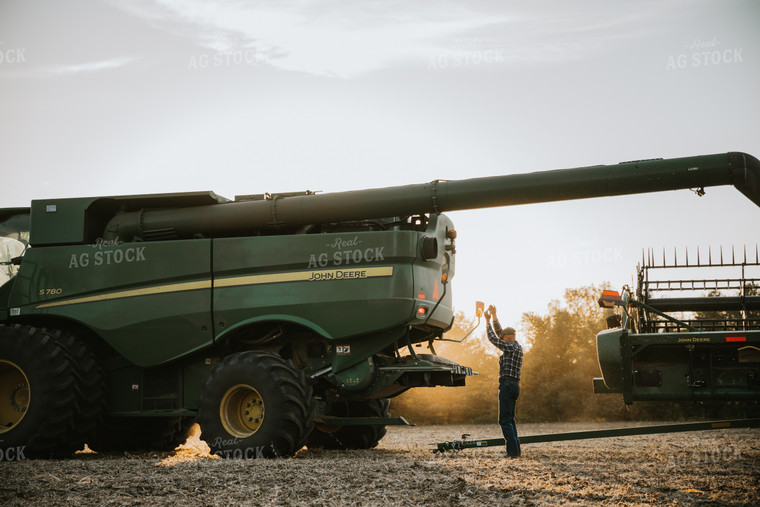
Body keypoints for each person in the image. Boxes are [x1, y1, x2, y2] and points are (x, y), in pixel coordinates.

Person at [484, 304, 523, 457]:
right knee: (510, 420)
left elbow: (493, 338)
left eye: (504, 339)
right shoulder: (516, 346)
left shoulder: (510, 347)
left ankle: (513, 453)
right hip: (514, 385)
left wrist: (486, 322)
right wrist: (494, 316)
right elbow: (500, 333)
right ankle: (516, 451)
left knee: (504, 421)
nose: (502, 340)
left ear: (508, 339)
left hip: (507, 385)